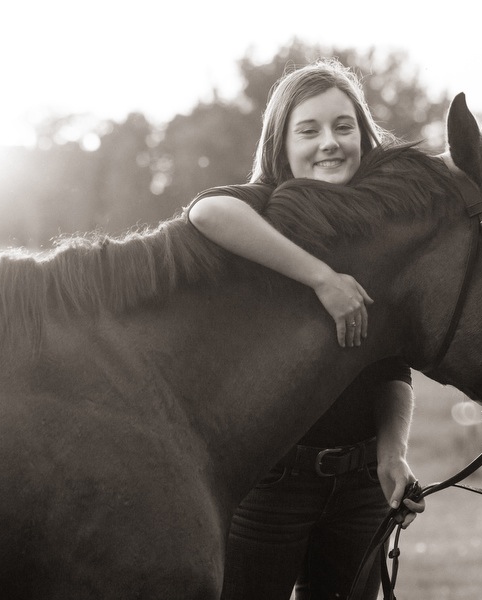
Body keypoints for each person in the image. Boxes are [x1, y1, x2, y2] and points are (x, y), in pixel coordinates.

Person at [186, 58, 424, 599]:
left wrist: (392, 453)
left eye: (344, 127)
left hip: (362, 483)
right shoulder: (265, 211)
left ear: (364, 135)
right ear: (281, 144)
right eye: (308, 130)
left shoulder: (380, 233)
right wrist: (322, 279)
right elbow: (206, 213)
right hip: (272, 481)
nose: (329, 143)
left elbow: (391, 364)